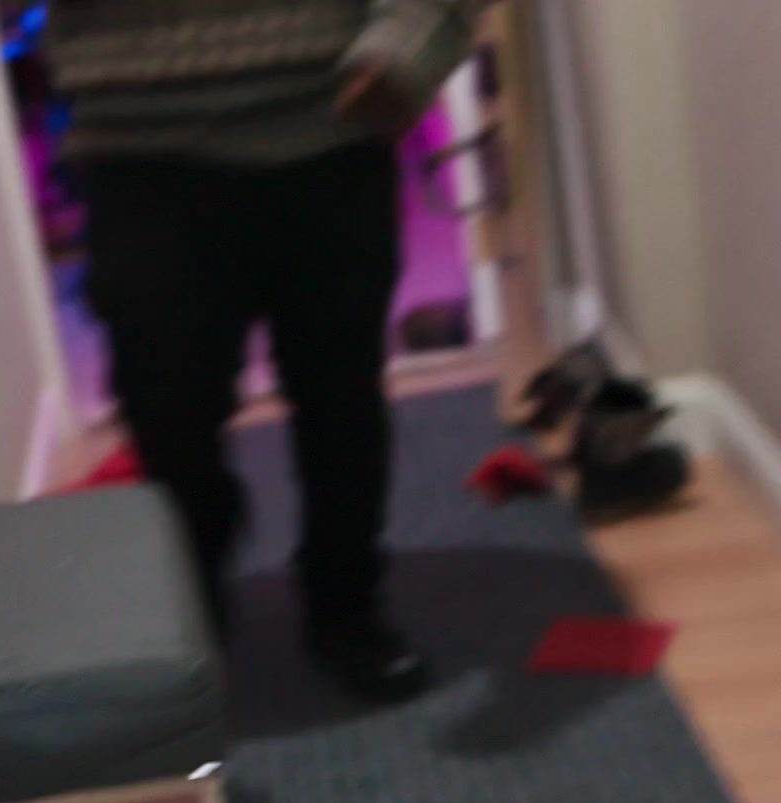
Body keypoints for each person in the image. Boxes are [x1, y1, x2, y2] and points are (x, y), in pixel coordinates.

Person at [43, 0, 485, 701]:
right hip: (136, 147)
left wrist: (410, 45)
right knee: (164, 410)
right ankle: (196, 597)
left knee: (341, 397)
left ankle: (346, 606)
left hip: (328, 127)